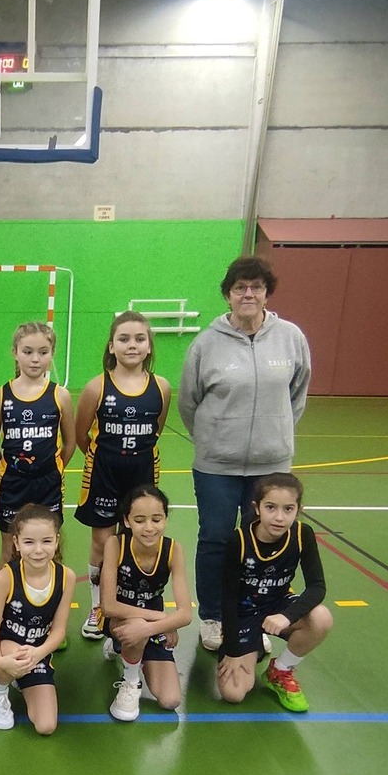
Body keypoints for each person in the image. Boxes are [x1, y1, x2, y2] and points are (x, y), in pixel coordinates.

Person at [178, 255, 311, 653]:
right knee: (217, 540)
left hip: (271, 468)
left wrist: (276, 435)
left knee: (262, 545)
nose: (248, 294)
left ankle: (253, 619)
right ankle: (213, 617)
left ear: (267, 293)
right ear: (228, 295)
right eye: (240, 288)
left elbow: (297, 394)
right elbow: (189, 401)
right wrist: (213, 441)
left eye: (256, 287)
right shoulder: (206, 343)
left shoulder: (291, 338)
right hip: (217, 467)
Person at [73, 310, 169, 641]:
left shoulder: (161, 387)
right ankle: (98, 606)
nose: (132, 345)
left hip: (142, 475)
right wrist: (106, 459)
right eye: (124, 339)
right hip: (104, 473)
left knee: (137, 540)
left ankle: (130, 606)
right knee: (102, 542)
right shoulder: (96, 387)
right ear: (111, 346)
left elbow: (155, 430)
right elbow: (82, 435)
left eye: (140, 339)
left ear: (149, 346)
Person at [214, 473, 331, 714]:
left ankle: (281, 670)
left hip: (278, 605)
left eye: (288, 509)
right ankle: (252, 645)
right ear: (257, 508)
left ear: (298, 510)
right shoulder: (239, 540)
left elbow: (317, 587)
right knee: (233, 693)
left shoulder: (302, 534)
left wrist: (287, 616)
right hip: (243, 612)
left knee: (321, 618)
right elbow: (228, 598)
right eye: (271, 507)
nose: (279, 517)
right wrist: (233, 650)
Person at [0, 504, 76, 735]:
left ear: (56, 541)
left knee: (46, 726)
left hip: (36, 652)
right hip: (5, 647)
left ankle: (18, 677)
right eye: (29, 542)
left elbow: (58, 631)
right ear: (16, 543)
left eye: (46, 541)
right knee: (13, 658)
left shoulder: (66, 577)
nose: (38, 550)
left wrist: (39, 653)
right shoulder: (5, 577)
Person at [101, 484, 192, 722]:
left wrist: (155, 626)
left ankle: (126, 649)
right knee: (136, 628)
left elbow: (186, 613)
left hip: (149, 625)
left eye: (156, 519)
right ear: (127, 521)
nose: (149, 527)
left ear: (165, 519)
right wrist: (164, 620)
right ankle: (130, 680)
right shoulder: (115, 545)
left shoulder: (173, 550)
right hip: (118, 619)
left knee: (170, 700)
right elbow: (108, 606)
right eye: (140, 520)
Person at [0, 321, 75, 566]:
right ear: (15, 353)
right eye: (27, 352)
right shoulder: (2, 395)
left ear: (52, 354)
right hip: (12, 483)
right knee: (9, 548)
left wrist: (52, 466)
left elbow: (69, 444)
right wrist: (9, 467)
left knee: (49, 546)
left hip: (48, 483)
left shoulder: (60, 395)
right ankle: (7, 591)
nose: (35, 359)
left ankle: (49, 591)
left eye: (43, 352)